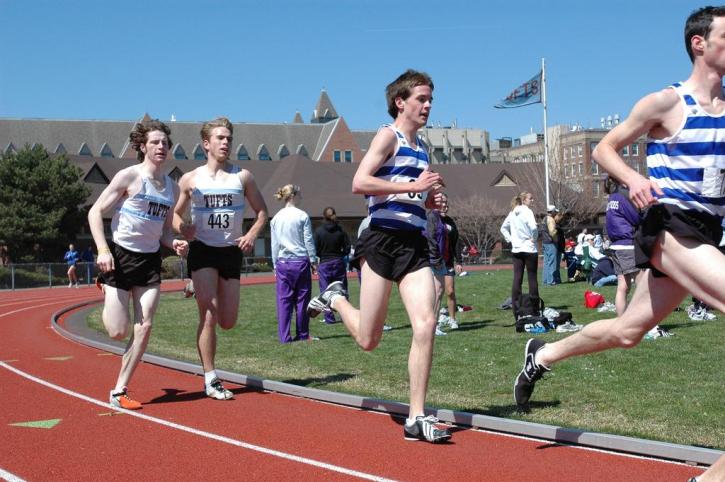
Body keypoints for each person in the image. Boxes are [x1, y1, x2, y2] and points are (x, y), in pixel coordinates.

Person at [514, 8, 725, 480]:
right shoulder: (667, 102)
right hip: (669, 226)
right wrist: (632, 178)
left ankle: (541, 355)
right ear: (699, 44)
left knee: (627, 331)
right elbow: (603, 148)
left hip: (707, 235)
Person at [306, 70, 451, 443]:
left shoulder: (422, 149)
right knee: (369, 340)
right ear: (401, 102)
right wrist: (413, 186)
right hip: (381, 240)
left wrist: (431, 201)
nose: (428, 105)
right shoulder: (389, 136)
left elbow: (414, 196)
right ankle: (336, 298)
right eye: (421, 98)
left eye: (431, 99)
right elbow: (360, 183)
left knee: (425, 324)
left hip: (413, 243)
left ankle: (416, 416)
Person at [88, 118, 189, 409]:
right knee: (118, 332)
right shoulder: (129, 177)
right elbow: (95, 213)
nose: (161, 147)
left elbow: (166, 230)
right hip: (119, 258)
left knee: (144, 327)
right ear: (142, 146)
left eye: (165, 143)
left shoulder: (170, 188)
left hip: (149, 262)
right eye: (155, 142)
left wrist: (174, 242)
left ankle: (119, 390)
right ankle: (106, 288)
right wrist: (103, 250)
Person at [173, 117, 268, 400]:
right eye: (219, 138)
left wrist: (251, 234)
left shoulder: (243, 177)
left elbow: (262, 213)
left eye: (228, 138)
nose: (225, 142)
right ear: (206, 144)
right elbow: (174, 216)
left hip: (230, 252)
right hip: (202, 250)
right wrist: (183, 228)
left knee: (228, 321)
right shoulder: (190, 179)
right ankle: (211, 377)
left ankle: (196, 288)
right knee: (210, 313)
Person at [271, 184, 318, 343]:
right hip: (300, 261)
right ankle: (302, 334)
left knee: (283, 301)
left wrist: (275, 264)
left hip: (283, 263)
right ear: (293, 195)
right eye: (300, 194)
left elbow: (274, 244)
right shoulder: (302, 215)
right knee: (302, 299)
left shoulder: (276, 218)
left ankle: (284, 337)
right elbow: (308, 240)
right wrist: (313, 260)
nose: (301, 197)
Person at [604, 175, 642, 315]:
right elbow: (635, 217)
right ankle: (647, 323)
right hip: (627, 245)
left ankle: (622, 321)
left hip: (615, 246)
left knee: (623, 287)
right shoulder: (621, 197)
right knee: (642, 285)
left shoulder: (611, 199)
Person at [500, 192, 539, 320]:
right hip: (529, 248)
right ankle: (535, 308)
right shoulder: (527, 212)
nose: (532, 200)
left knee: (517, 279)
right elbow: (533, 227)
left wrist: (511, 239)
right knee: (532, 278)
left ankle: (516, 309)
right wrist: (534, 238)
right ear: (523, 199)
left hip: (516, 249)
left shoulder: (512, 213)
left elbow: (503, 228)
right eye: (530, 198)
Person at [313, 206, 350, 325]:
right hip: (338, 262)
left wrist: (322, 255)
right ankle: (346, 316)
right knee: (342, 290)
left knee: (325, 291)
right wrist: (341, 254)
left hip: (324, 263)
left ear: (324, 216)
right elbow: (348, 247)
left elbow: (316, 249)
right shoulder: (341, 230)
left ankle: (329, 318)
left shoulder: (319, 231)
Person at [438, 193, 464, 330]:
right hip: (433, 262)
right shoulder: (431, 220)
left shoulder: (450, 222)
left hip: (447, 263)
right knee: (435, 293)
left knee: (450, 291)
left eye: (447, 204)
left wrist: (458, 261)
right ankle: (434, 321)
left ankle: (452, 319)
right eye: (442, 203)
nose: (445, 207)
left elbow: (455, 243)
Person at [541, 205, 561, 285]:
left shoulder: (544, 219)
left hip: (544, 242)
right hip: (551, 243)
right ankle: (551, 281)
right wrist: (556, 239)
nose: (555, 213)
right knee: (552, 262)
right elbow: (552, 232)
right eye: (555, 211)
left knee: (546, 263)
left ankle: (545, 281)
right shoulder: (551, 219)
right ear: (552, 212)